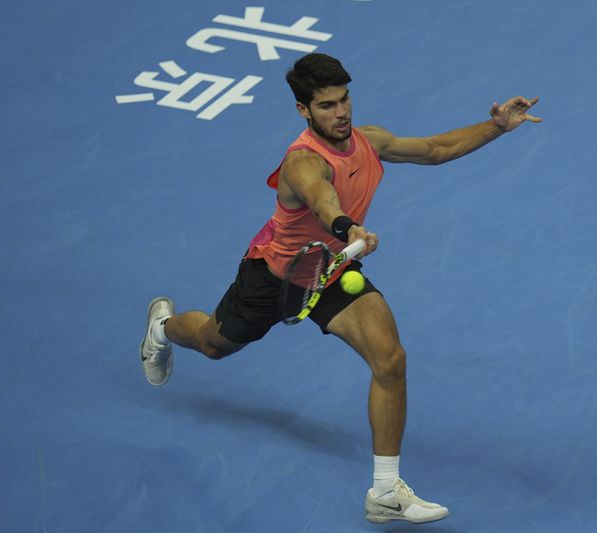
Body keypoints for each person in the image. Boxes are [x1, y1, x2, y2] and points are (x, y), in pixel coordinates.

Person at [139, 53, 541, 524]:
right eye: (327, 105)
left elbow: (434, 149)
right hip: (275, 275)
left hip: (329, 269)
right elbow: (321, 195)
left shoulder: (367, 140)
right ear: (303, 110)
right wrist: (347, 226)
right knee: (213, 344)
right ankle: (163, 327)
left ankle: (386, 491)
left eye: (344, 99)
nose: (341, 112)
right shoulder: (302, 162)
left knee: (390, 359)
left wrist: (495, 127)